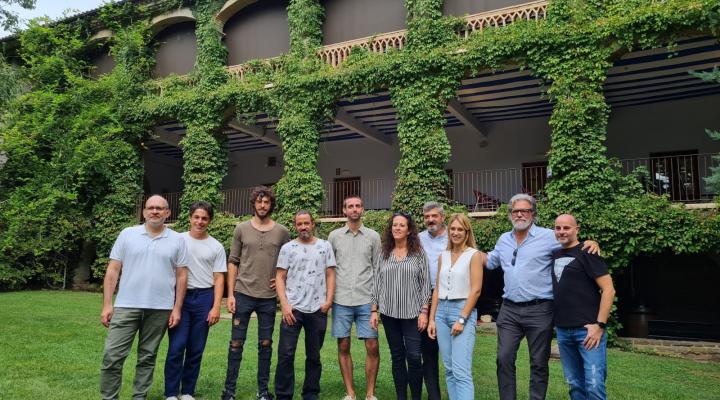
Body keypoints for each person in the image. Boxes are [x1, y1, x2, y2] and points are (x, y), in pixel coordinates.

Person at [485, 194, 600, 400]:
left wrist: (590, 242)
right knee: (503, 359)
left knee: (538, 362)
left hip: (540, 309)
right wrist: (462, 250)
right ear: (510, 214)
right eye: (515, 211)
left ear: (533, 214)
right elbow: (489, 261)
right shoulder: (503, 239)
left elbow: (571, 246)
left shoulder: (548, 236)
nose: (519, 214)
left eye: (525, 210)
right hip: (509, 310)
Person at [99, 195, 188, 400]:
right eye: (151, 207)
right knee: (112, 357)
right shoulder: (127, 234)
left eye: (160, 208)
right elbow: (113, 270)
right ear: (144, 211)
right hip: (126, 306)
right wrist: (107, 304)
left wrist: (177, 308)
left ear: (167, 213)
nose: (154, 211)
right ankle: (109, 398)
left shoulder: (177, 239)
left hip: (160, 308)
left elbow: (182, 275)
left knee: (147, 357)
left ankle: (139, 397)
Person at [222, 187, 290, 400]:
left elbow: (290, 261)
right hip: (243, 293)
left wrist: (282, 279)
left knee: (266, 344)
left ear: (271, 205)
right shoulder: (241, 229)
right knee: (236, 344)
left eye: (266, 202)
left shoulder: (282, 231)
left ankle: (263, 391)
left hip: (268, 298)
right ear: (254, 203)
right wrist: (231, 294)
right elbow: (233, 262)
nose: (262, 205)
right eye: (259, 202)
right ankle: (229, 391)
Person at [164, 201, 227, 400]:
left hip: (204, 298)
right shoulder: (178, 240)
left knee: (196, 348)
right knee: (176, 347)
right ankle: (171, 393)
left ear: (210, 221)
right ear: (190, 218)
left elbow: (219, 278)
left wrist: (216, 307)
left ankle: (188, 391)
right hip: (179, 298)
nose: (200, 221)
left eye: (204, 218)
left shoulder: (216, 246)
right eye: (197, 217)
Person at [274, 211, 337, 400]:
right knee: (285, 354)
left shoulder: (325, 246)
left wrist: (328, 301)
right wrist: (284, 305)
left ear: (313, 224)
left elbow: (331, 275)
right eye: (299, 224)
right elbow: (280, 277)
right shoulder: (288, 248)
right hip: (292, 309)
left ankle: (311, 393)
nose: (303, 227)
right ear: (295, 226)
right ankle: (284, 395)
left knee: (314, 356)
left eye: (306, 223)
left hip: (318, 309)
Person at [552, 214, 615, 400]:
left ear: (576, 229)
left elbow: (609, 290)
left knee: (594, 385)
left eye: (566, 228)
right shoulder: (554, 254)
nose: (562, 231)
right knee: (574, 385)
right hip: (563, 331)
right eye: (558, 228)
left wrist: (599, 325)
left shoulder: (588, 252)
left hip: (588, 332)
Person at [370, 212, 432, 400]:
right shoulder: (383, 252)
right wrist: (374, 310)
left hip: (413, 314)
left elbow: (425, 283)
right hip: (389, 314)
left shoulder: (418, 253)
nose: (397, 228)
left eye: (401, 225)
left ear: (409, 230)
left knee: (414, 357)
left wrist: (424, 311)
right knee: (397, 357)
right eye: (394, 225)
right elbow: (377, 282)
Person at [328, 195, 381, 400]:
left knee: (372, 345)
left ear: (362, 209)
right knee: (343, 345)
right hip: (341, 300)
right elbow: (329, 269)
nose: (354, 209)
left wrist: (375, 305)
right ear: (344, 211)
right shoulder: (334, 236)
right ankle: (350, 393)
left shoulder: (373, 237)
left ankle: (370, 394)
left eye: (358, 206)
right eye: (350, 206)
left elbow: (378, 270)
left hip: (366, 300)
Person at [428, 213, 486, 400]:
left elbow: (476, 290)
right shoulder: (442, 256)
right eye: (452, 229)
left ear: (467, 232)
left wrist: (462, 319)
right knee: (449, 369)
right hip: (441, 313)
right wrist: (431, 319)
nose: (455, 232)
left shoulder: (474, 255)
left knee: (461, 371)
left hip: (461, 311)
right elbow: (437, 288)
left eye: (460, 229)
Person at [418, 202, 446, 400]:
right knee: (428, 350)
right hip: (426, 295)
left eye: (434, 216)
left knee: (453, 352)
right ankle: (433, 395)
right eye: (427, 217)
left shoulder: (453, 235)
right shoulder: (419, 238)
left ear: (442, 217)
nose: (430, 220)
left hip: (450, 296)